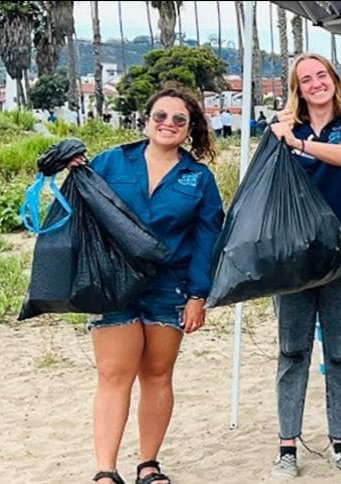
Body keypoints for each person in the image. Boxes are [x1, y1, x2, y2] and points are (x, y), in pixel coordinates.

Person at [76, 86, 224, 484]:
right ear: (146, 120)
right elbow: (80, 209)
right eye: (161, 116)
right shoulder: (110, 163)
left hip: (169, 286)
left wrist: (198, 295)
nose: (169, 124)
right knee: (113, 374)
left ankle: (148, 464)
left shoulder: (199, 178)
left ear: (190, 128)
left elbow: (206, 240)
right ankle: (106, 470)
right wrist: (68, 166)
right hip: (114, 283)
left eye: (179, 120)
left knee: (157, 375)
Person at [266, 52, 341, 479]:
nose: (315, 83)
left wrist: (299, 144)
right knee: (292, 352)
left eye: (321, 75)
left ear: (334, 79)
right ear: (297, 88)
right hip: (294, 259)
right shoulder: (283, 128)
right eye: (305, 79)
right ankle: (287, 446)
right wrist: (281, 133)